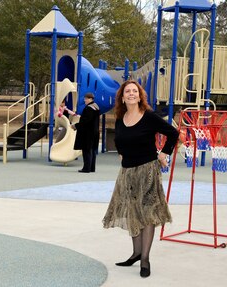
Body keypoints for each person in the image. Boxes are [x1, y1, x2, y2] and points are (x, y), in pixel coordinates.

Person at [102, 80, 179, 278]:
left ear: (140, 95)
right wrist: (122, 152)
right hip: (127, 173)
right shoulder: (121, 117)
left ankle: (145, 259)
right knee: (132, 211)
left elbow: (173, 133)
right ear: (122, 96)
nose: (131, 94)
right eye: (127, 91)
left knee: (148, 213)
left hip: (147, 171)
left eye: (134, 91)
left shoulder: (149, 117)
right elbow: (120, 139)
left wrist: (164, 153)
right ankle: (135, 253)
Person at [71, 93, 100, 173]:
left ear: (90, 99)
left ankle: (86, 168)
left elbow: (85, 121)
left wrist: (76, 126)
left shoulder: (89, 108)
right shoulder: (96, 107)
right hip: (95, 131)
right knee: (93, 150)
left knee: (86, 150)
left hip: (88, 133)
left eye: (86, 99)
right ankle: (92, 167)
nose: (85, 100)